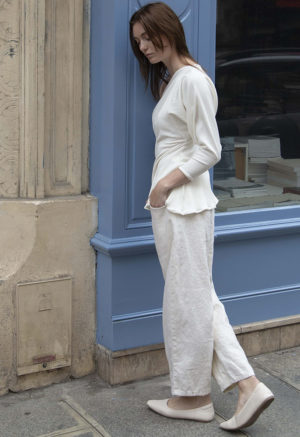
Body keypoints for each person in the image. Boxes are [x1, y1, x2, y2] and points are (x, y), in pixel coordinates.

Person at [129, 2, 274, 431]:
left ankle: (241, 386)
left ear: (167, 30)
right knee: (191, 300)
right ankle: (192, 396)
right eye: (137, 41)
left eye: (146, 37)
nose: (142, 46)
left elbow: (210, 149)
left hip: (183, 204)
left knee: (191, 299)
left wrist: (163, 185)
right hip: (176, 206)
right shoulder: (175, 80)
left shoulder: (192, 79)